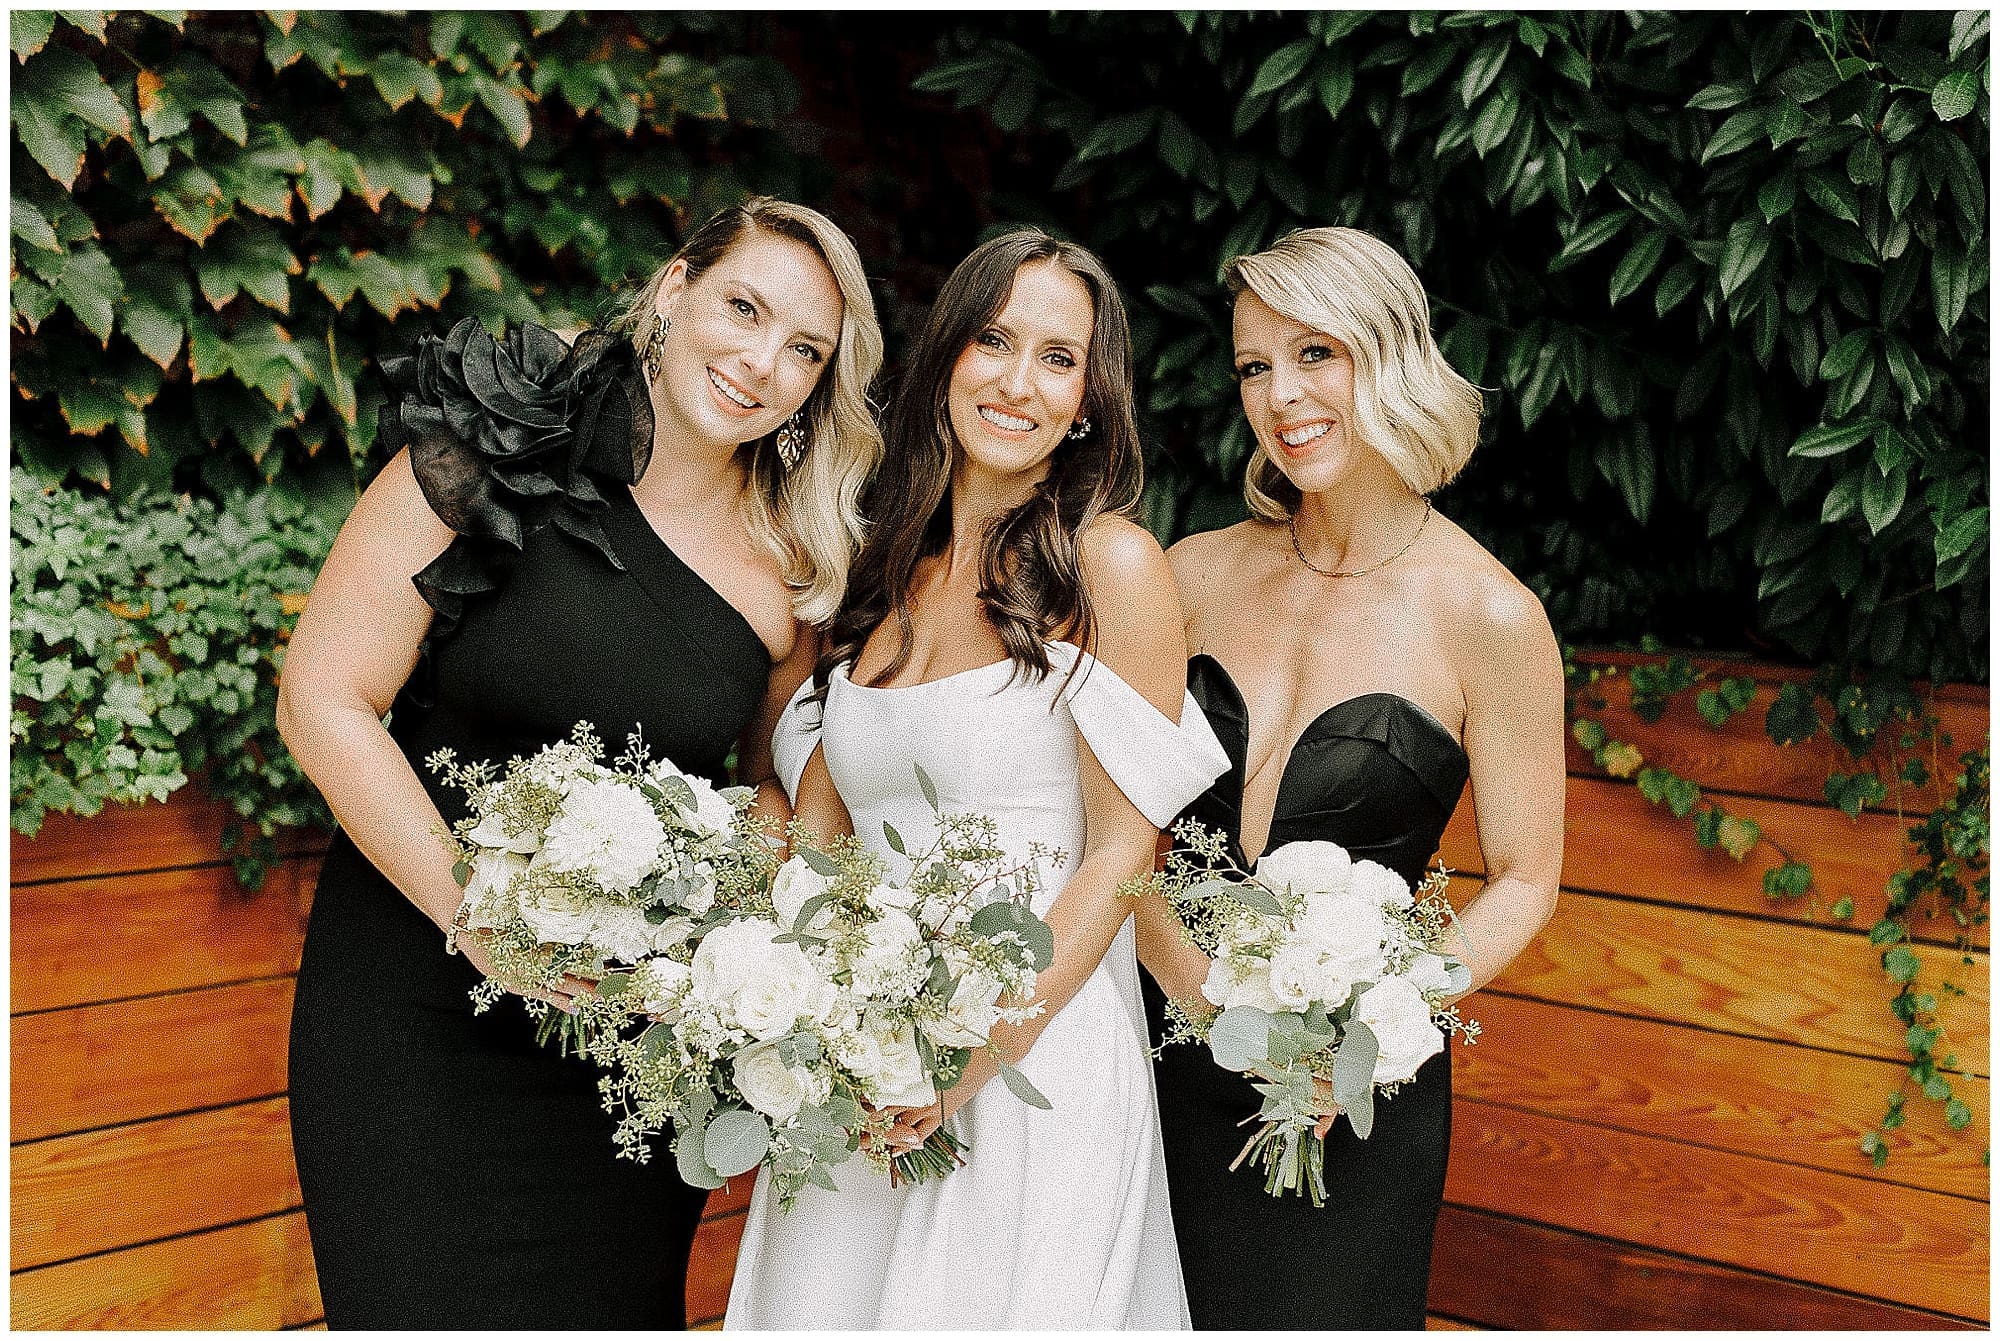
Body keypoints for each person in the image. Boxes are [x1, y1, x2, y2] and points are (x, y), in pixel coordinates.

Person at [278, 197, 884, 1328]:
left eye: (803, 349)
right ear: (670, 290)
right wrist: (481, 922)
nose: (761, 362)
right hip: (413, 1009)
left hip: (621, 1056)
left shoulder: (789, 567)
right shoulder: (496, 444)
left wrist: (722, 930)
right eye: (742, 309)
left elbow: (767, 787)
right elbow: (323, 698)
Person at [723, 231, 1228, 1329]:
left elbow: (1120, 856)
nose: (1015, 381)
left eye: (1057, 358)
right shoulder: (876, 563)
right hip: (860, 1066)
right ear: (946, 355)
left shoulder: (1112, 568)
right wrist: (811, 1021)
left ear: (1089, 401)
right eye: (993, 340)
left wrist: (965, 1059)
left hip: (1033, 1062)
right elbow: (820, 838)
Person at [1135, 226, 1565, 1329]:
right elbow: (1115, 823)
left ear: (1390, 357)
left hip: (1347, 1096)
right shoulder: (1186, 575)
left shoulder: (1489, 615)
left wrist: (1365, 1032)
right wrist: (1191, 987)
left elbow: (1523, 879)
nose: (1280, 396)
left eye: (1314, 353)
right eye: (1251, 365)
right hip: (1146, 1063)